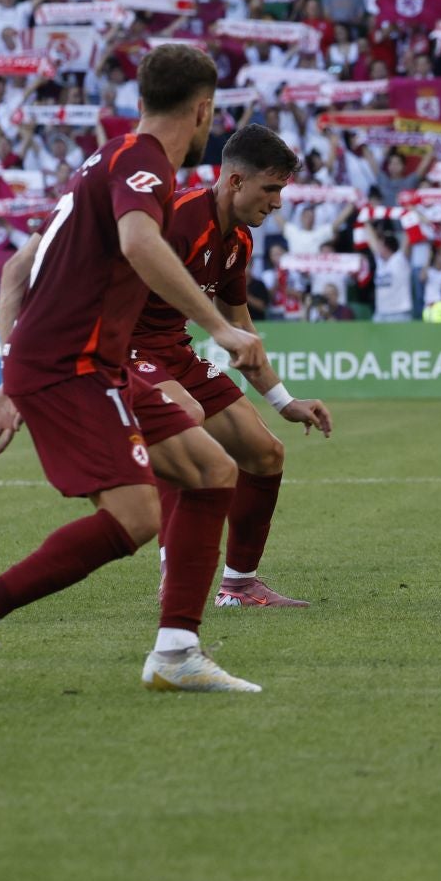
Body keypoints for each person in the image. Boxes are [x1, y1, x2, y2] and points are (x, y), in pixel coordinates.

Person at [0, 44, 270, 698]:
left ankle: (176, 652)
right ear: (204, 111)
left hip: (88, 364)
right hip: (71, 365)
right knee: (136, 516)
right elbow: (140, 244)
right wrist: (222, 327)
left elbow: (16, 269)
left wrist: (10, 372)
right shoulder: (144, 165)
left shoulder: (110, 157)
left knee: (212, 471)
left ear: (142, 100)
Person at [125, 124, 334, 608]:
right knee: (184, 420)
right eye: (271, 188)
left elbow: (240, 329)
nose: (277, 202)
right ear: (236, 181)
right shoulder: (178, 219)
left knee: (265, 453)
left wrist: (284, 401)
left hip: (173, 351)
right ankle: (174, 570)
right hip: (122, 349)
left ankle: (238, 587)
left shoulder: (238, 240)